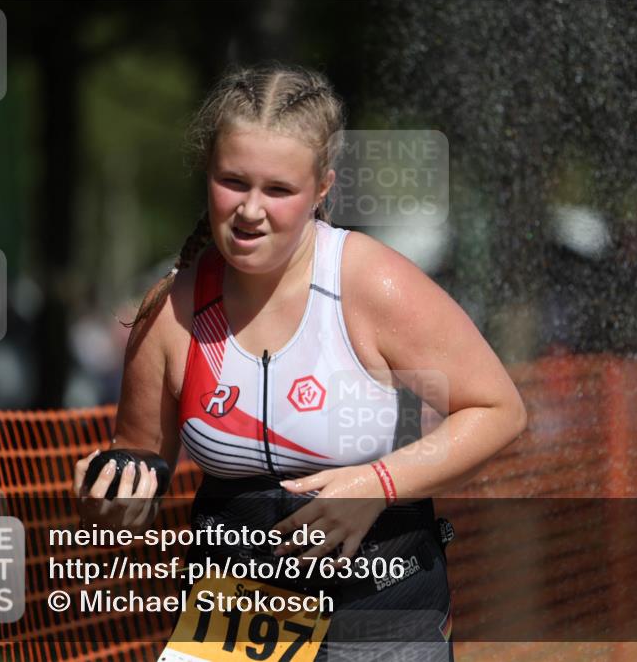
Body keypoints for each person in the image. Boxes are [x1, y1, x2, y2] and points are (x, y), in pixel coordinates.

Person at [73, 62, 527, 661]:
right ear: (208, 174)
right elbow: (136, 472)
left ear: (321, 189)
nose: (250, 211)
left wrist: (376, 485)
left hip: (379, 615)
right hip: (234, 621)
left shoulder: (372, 283)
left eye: (278, 190)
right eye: (233, 181)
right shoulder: (172, 310)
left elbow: (498, 409)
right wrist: (109, 499)